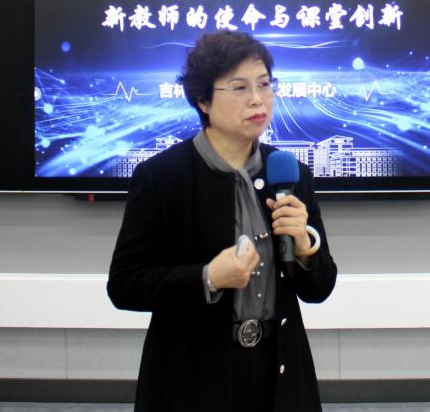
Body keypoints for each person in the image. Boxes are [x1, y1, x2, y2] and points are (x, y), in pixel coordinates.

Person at [107, 31, 337, 412]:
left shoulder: (289, 173)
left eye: (265, 84)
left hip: (280, 374)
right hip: (193, 376)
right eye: (239, 87)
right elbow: (125, 285)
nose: (257, 99)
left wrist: (304, 248)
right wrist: (208, 277)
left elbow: (320, 288)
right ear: (203, 100)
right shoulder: (162, 178)